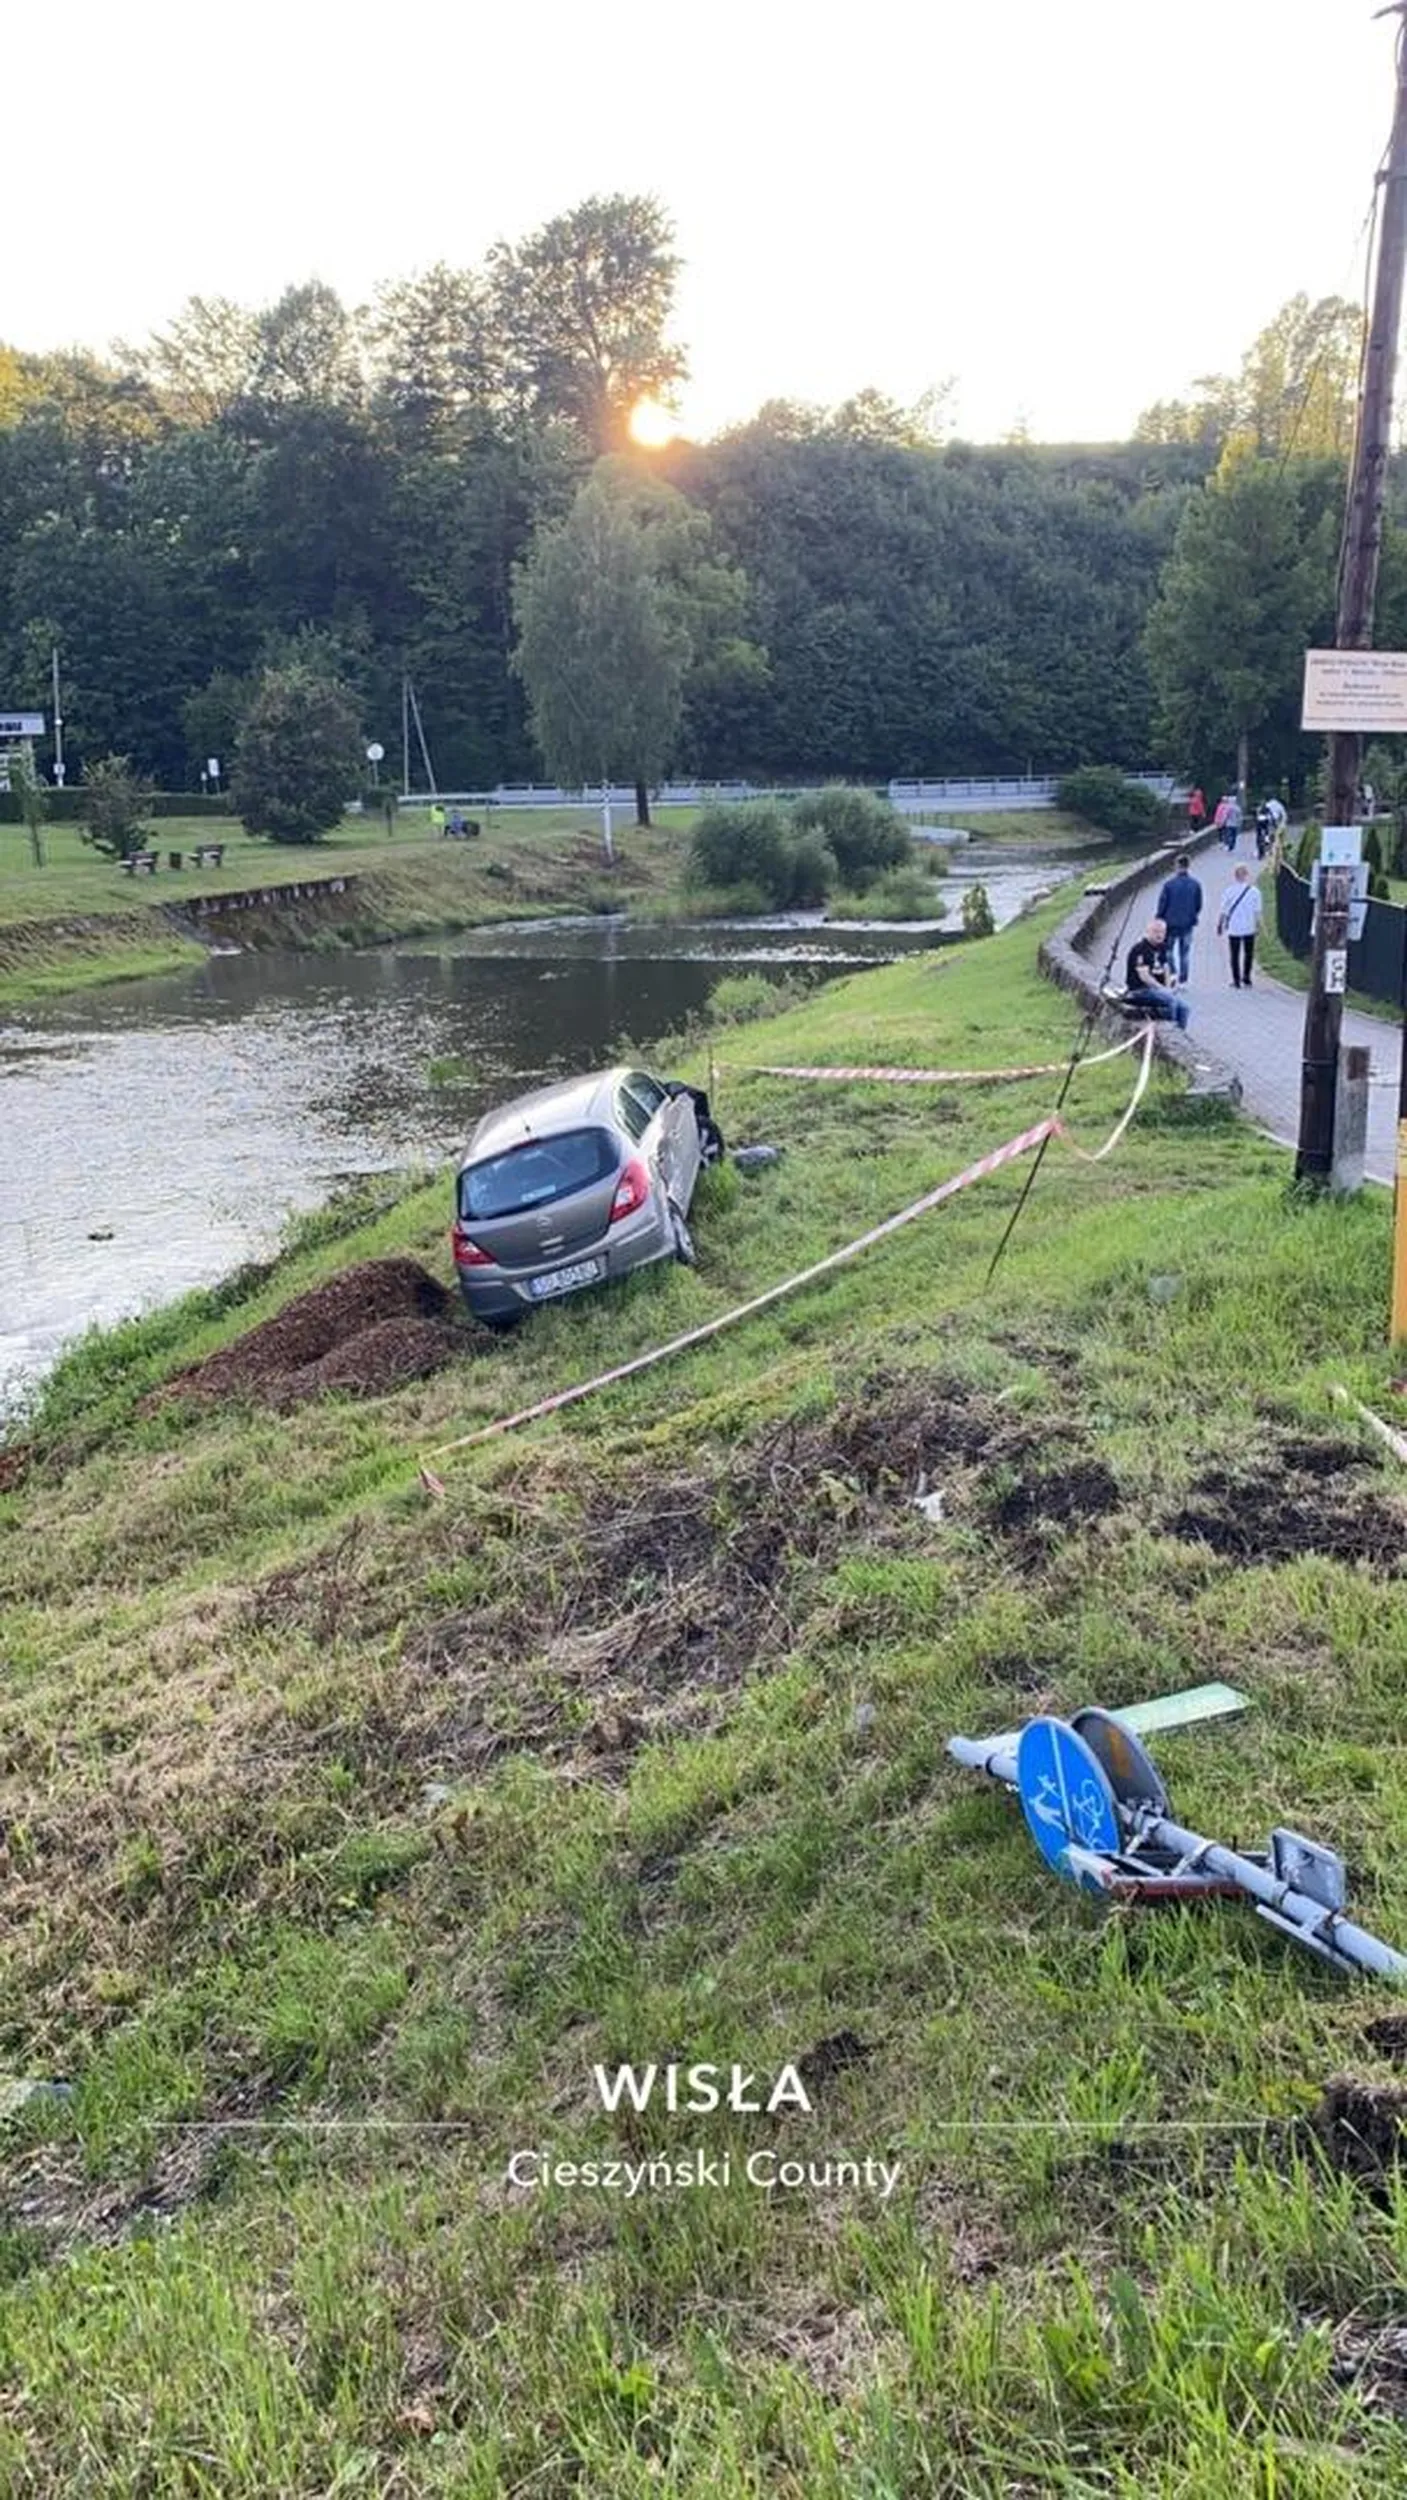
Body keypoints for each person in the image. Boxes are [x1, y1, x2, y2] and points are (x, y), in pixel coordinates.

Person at [1124, 917, 1190, 1028]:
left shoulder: (1162, 947)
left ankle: (1181, 1036)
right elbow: (1144, 976)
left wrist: (1168, 988)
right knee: (1171, 1003)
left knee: (1184, 1008)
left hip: (1157, 990)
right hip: (1141, 990)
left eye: (1162, 932)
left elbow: (1166, 969)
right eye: (1156, 932)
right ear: (1148, 932)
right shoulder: (1140, 949)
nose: (1159, 935)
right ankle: (1170, 1035)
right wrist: (1161, 988)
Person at [1155, 852, 1203, 986]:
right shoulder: (1195, 884)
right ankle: (1183, 979)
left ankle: (1173, 973)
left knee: (1168, 951)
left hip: (1171, 924)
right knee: (1185, 953)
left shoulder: (1169, 885)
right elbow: (1198, 905)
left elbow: (1162, 904)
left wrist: (1159, 918)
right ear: (1188, 866)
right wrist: (1192, 915)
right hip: (1188, 923)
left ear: (1177, 866)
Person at [1217, 863, 1263, 988]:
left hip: (1234, 927)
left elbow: (1224, 910)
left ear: (1235, 876)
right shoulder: (1254, 892)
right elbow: (1257, 911)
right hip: (1249, 927)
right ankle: (1247, 978)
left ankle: (1236, 980)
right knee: (1249, 953)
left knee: (1234, 954)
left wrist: (1220, 924)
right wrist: (1259, 926)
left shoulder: (1229, 891)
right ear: (1247, 875)